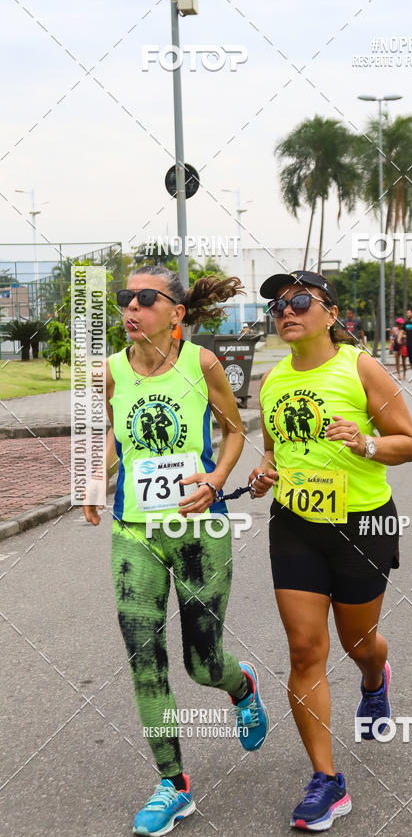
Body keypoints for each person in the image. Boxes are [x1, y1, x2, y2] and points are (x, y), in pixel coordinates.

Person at [83, 266, 269, 836]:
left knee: (202, 663)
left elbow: (234, 430)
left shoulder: (201, 363)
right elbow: (115, 437)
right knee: (144, 656)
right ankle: (174, 783)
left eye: (145, 298)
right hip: (134, 530)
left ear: (176, 313)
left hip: (198, 531)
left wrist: (216, 478)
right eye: (125, 298)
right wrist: (95, 481)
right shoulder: (111, 371)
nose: (131, 308)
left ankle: (241, 685)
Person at [249, 270, 412, 831]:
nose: (287, 311)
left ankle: (375, 678)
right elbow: (275, 451)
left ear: (331, 313)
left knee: (359, 643)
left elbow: (407, 444)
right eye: (278, 305)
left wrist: (365, 443)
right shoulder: (272, 381)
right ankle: (326, 780)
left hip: (362, 524)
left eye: (300, 300)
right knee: (304, 651)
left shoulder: (361, 367)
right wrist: (265, 473)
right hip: (295, 525)